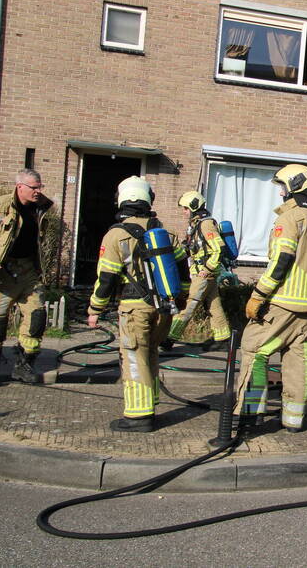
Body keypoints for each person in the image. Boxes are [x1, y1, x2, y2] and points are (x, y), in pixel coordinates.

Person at [234, 164, 307, 433]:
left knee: (255, 350)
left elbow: (281, 261)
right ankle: (293, 420)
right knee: (298, 361)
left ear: (292, 186)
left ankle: (250, 415)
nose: (280, 193)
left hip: (282, 303)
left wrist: (258, 295)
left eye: (282, 187)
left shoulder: (289, 220)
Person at [87, 176, 190, 433]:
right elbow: (183, 272)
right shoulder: (166, 233)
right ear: (148, 199)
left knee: (134, 358)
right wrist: (182, 298)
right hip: (164, 308)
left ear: (122, 200)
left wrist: (94, 310)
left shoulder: (115, 236)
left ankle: (138, 416)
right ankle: (150, 402)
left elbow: (106, 279)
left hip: (134, 307)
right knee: (151, 354)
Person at [0, 168, 53, 387]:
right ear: (20, 187)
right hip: (2, 273)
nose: (38, 191)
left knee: (36, 317)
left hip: (28, 272)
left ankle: (23, 366)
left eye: (39, 187)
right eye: (34, 187)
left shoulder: (41, 207)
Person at [165, 191, 231, 352]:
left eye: (186, 208)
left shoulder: (206, 224)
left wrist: (206, 269)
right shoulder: (196, 225)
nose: (184, 212)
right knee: (214, 306)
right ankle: (223, 339)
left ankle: (168, 339)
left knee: (189, 305)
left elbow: (218, 248)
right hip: (205, 274)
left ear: (194, 207)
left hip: (203, 274)